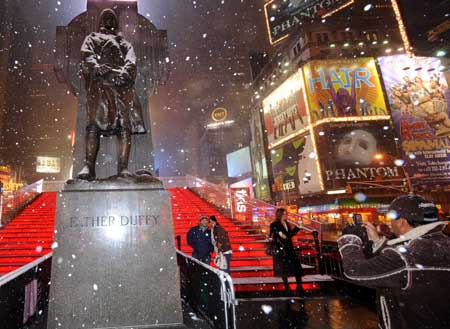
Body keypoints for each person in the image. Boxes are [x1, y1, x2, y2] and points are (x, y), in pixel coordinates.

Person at [338, 194, 450, 329]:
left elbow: (355, 270)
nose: (389, 223)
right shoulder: (442, 244)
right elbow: (399, 268)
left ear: (402, 222)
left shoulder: (406, 257)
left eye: (391, 218)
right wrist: (378, 242)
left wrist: (350, 239)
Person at [77, 8, 146, 180]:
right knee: (93, 124)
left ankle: (123, 167)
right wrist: (98, 69)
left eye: (111, 17)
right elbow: (86, 55)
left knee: (124, 126)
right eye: (105, 17)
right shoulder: (91, 38)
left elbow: (131, 61)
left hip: (121, 87)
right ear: (100, 21)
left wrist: (123, 75)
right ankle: (88, 166)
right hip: (99, 85)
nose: (108, 20)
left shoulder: (124, 42)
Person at [270, 208, 304, 294]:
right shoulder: (274, 224)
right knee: (284, 269)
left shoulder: (287, 224)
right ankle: (287, 287)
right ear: (279, 215)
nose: (286, 215)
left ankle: (299, 286)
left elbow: (288, 235)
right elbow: (272, 233)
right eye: (284, 214)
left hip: (289, 248)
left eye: (286, 214)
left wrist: (297, 228)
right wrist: (278, 232)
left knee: (296, 267)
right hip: (281, 249)